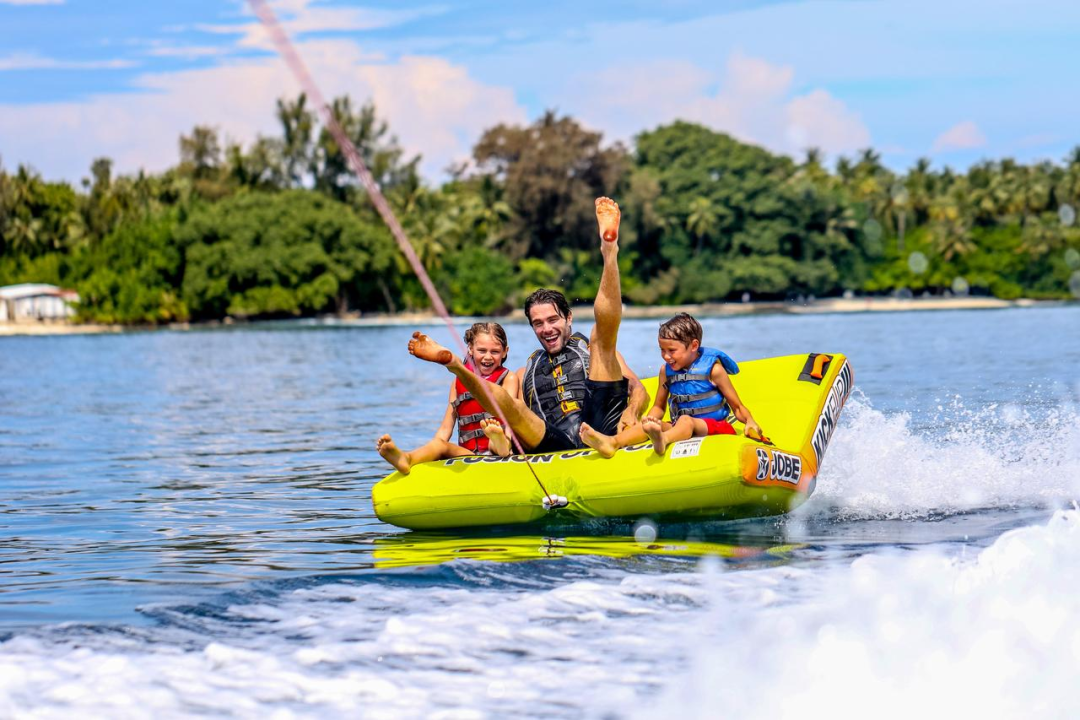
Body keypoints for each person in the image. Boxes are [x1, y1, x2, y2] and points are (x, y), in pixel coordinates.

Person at [407, 196, 648, 452]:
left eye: (553, 319)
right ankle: (455, 364)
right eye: (538, 323)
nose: (546, 328)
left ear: (568, 318)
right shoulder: (524, 371)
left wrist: (632, 411)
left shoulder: (592, 351)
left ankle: (609, 252)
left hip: (601, 426)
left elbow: (638, 389)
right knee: (515, 407)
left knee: (600, 339)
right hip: (553, 441)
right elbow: (512, 415)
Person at [578, 312, 764, 457]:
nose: (666, 356)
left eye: (672, 350)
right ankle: (612, 442)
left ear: (693, 346)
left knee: (685, 421)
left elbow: (737, 406)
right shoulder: (665, 372)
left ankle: (663, 440)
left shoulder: (713, 370)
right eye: (662, 350)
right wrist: (650, 420)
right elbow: (659, 406)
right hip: (681, 427)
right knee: (653, 425)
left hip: (716, 428)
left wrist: (750, 422)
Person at [376, 322, 519, 474]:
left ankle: (500, 442)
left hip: (499, 449)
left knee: (496, 437)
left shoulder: (508, 378)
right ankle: (406, 459)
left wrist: (505, 439)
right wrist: (434, 451)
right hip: (468, 455)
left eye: (495, 352)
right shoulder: (458, 382)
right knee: (439, 444)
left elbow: (512, 419)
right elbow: (445, 428)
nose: (488, 357)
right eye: (482, 350)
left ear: (505, 352)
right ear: (470, 349)